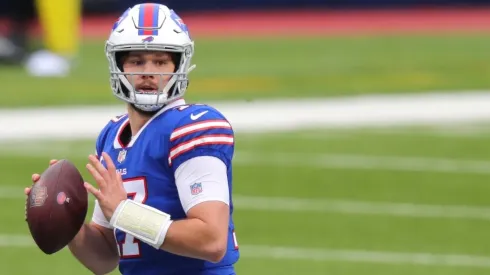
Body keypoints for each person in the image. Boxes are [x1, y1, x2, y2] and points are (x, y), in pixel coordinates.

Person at [24, 3, 240, 275]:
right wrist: (68, 221)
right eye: (137, 61)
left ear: (179, 65)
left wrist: (124, 212)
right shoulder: (111, 135)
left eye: (160, 61)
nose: (149, 72)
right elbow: (104, 259)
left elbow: (211, 240)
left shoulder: (194, 126)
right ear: (118, 65)